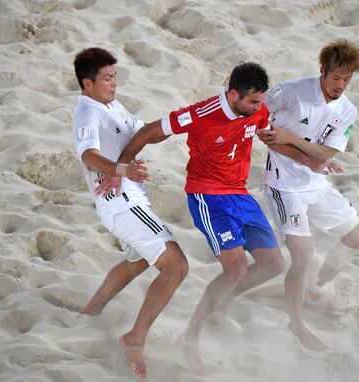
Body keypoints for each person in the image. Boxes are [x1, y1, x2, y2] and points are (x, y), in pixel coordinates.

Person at [111, 62, 284, 375]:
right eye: (253, 101)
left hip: (241, 195)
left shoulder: (256, 110)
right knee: (237, 268)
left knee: (274, 264)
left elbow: (264, 130)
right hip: (208, 197)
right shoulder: (203, 114)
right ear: (233, 95)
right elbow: (151, 131)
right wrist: (121, 165)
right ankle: (189, 337)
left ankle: (220, 303)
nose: (260, 107)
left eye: (261, 101)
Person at [71, 47, 189, 380]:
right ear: (87, 83)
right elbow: (89, 156)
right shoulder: (87, 114)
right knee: (176, 266)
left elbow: (143, 132)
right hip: (122, 205)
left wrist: (186, 120)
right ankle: (134, 337)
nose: (114, 83)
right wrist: (122, 169)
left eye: (115, 76)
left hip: (130, 202)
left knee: (137, 262)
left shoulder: (110, 105)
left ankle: (91, 310)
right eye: (107, 78)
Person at [257, 39, 359, 351]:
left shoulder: (347, 110)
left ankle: (319, 287)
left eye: (347, 80)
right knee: (302, 256)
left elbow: (324, 154)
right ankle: (296, 324)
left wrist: (293, 139)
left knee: (357, 236)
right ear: (322, 71)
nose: (341, 86)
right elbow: (259, 128)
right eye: (336, 78)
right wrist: (301, 152)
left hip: (316, 184)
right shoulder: (291, 93)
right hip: (283, 186)